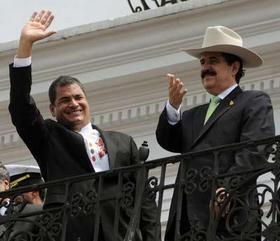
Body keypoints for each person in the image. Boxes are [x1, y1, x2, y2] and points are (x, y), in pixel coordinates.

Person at [9, 10, 159, 241]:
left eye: (78, 97)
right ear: (53, 110)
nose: (74, 104)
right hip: (74, 230)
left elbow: (144, 199)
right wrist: (25, 47)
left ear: (87, 101)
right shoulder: (50, 138)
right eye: (65, 100)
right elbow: (21, 108)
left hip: (120, 232)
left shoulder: (122, 142)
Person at [156, 26, 275, 240]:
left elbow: (255, 150)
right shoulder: (192, 115)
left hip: (229, 216)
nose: (205, 67)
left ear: (234, 67)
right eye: (202, 62)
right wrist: (173, 107)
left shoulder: (253, 101)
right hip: (185, 222)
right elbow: (168, 141)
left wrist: (228, 188)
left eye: (213, 61)